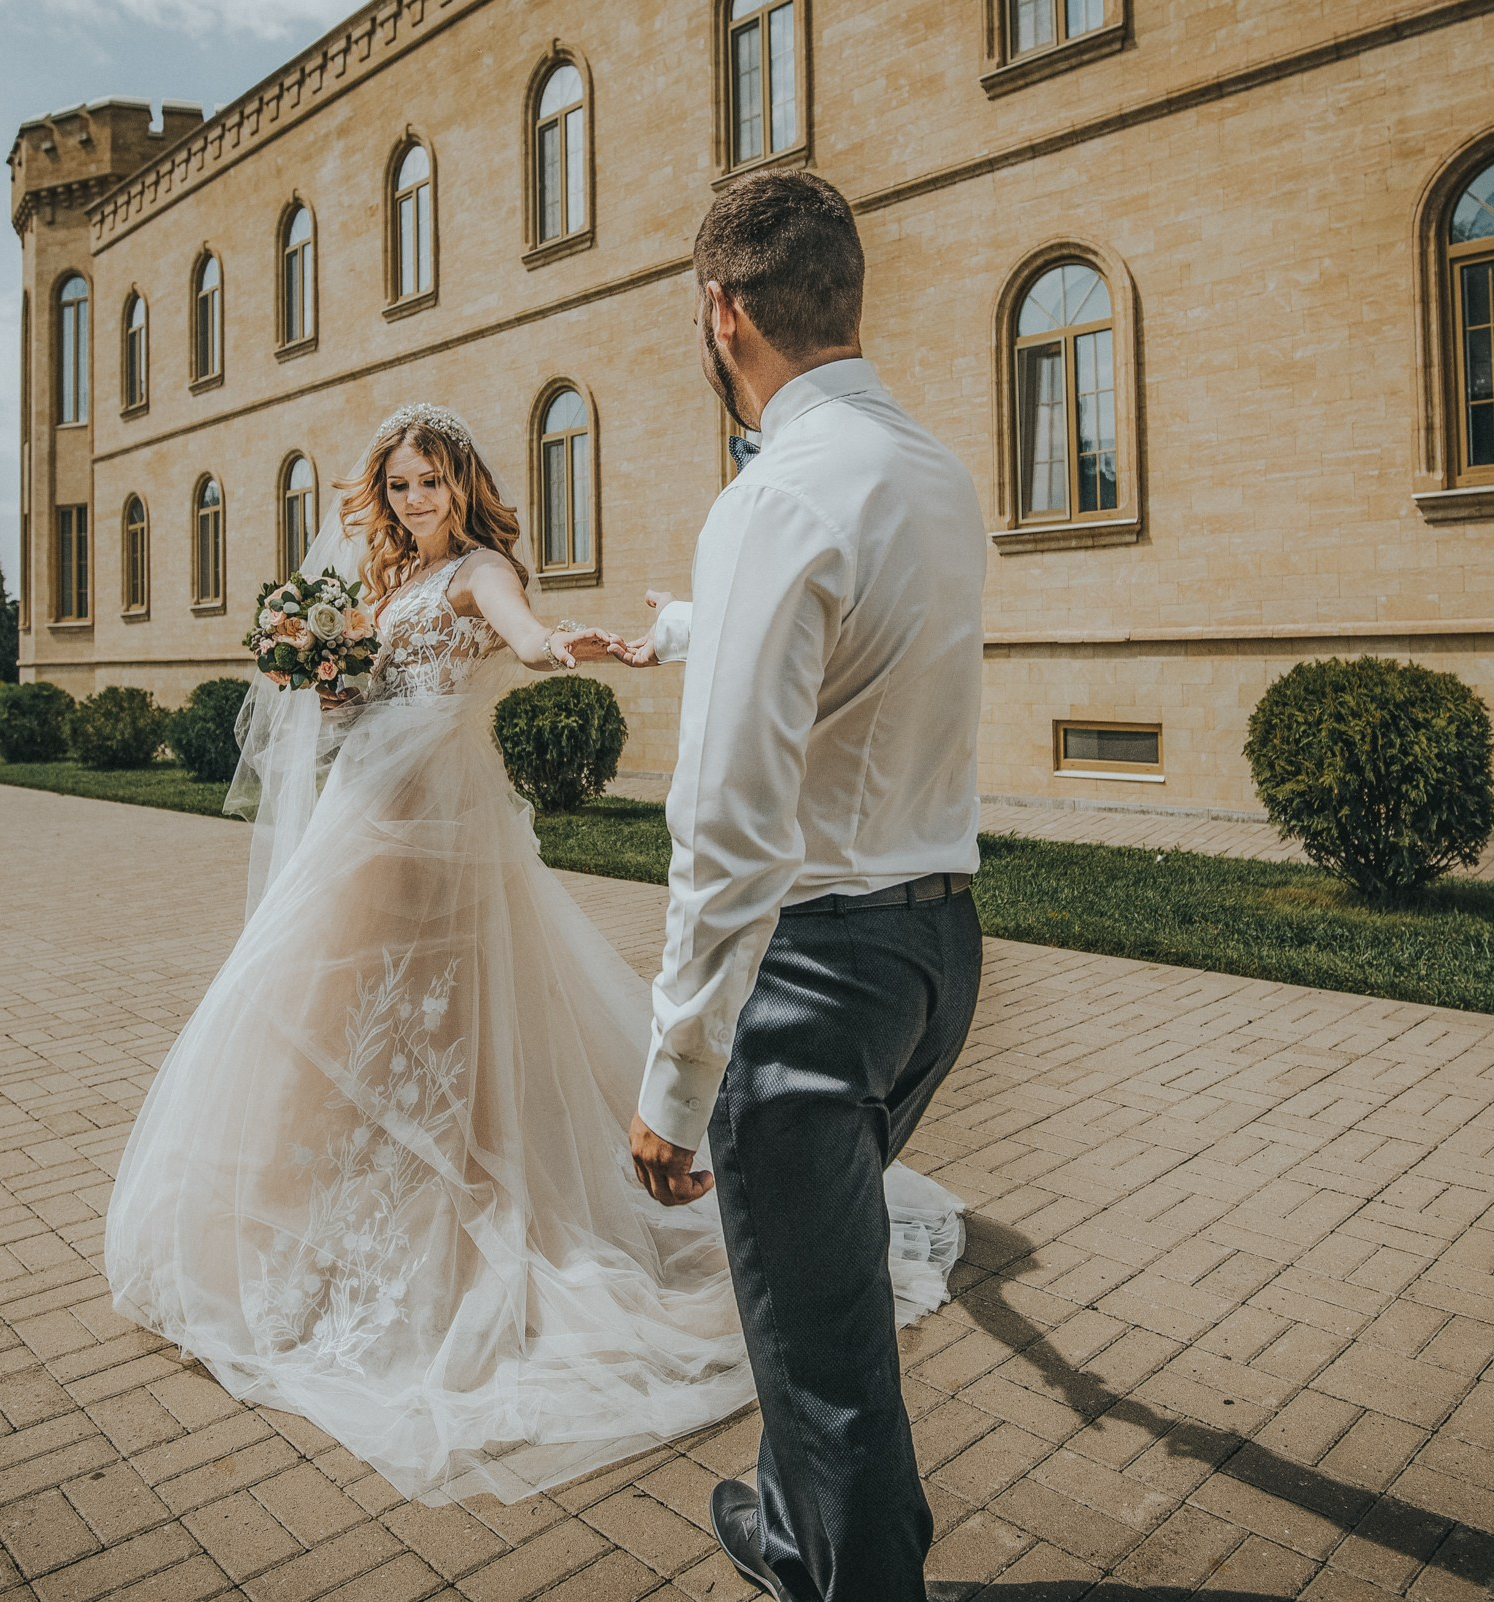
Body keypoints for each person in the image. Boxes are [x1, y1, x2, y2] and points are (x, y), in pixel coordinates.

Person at [103, 400, 970, 1507]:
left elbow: (525, 635)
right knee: (338, 1015)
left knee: (441, 1018)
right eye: (402, 486)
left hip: (436, 827)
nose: (418, 501)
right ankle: (330, 1230)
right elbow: (360, 701)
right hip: (362, 814)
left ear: (462, 485)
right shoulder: (384, 587)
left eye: (432, 483)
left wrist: (575, 645)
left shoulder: (474, 574)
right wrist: (329, 678)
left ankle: (466, 1227)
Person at [617, 171, 988, 1602]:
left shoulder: (772, 497)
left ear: (722, 312)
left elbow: (727, 830)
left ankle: (847, 1570)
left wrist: (674, 1069)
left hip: (814, 984)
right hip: (935, 957)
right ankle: (787, 1524)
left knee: (828, 1362)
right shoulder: (930, 472)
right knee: (816, 1300)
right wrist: (692, 629)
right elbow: (867, 634)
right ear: (848, 294)